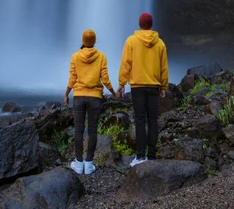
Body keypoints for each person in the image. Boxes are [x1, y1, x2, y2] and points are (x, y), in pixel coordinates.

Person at [117, 12, 168, 166]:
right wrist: (163, 86)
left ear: (140, 24)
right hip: (153, 86)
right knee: (153, 121)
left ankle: (140, 157)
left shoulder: (131, 41)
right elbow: (163, 68)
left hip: (137, 86)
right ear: (151, 25)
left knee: (140, 121)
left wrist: (121, 83)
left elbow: (126, 63)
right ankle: (151, 156)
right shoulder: (160, 44)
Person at [64, 29, 116, 175]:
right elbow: (105, 79)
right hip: (95, 98)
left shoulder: (75, 56)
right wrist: (113, 93)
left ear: (83, 40)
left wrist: (67, 94)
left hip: (79, 96)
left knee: (79, 130)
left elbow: (72, 78)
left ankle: (78, 163)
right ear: (94, 41)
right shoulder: (101, 57)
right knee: (92, 130)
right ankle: (89, 163)